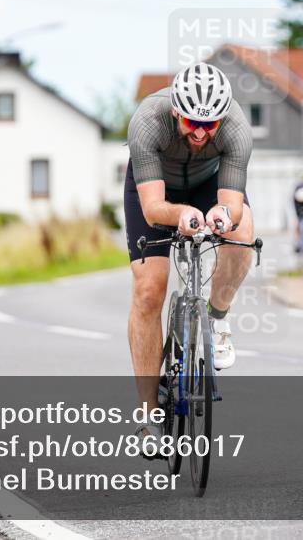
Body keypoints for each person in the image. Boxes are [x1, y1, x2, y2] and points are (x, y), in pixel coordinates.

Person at [124, 62, 255, 452]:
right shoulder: (147, 122)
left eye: (209, 124)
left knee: (243, 233)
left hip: (209, 182)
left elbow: (232, 205)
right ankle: (148, 416)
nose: (200, 133)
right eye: (192, 122)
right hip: (156, 190)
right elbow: (153, 209)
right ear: (175, 111)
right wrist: (180, 215)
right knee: (149, 290)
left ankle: (217, 318)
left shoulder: (236, 128)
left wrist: (223, 215)